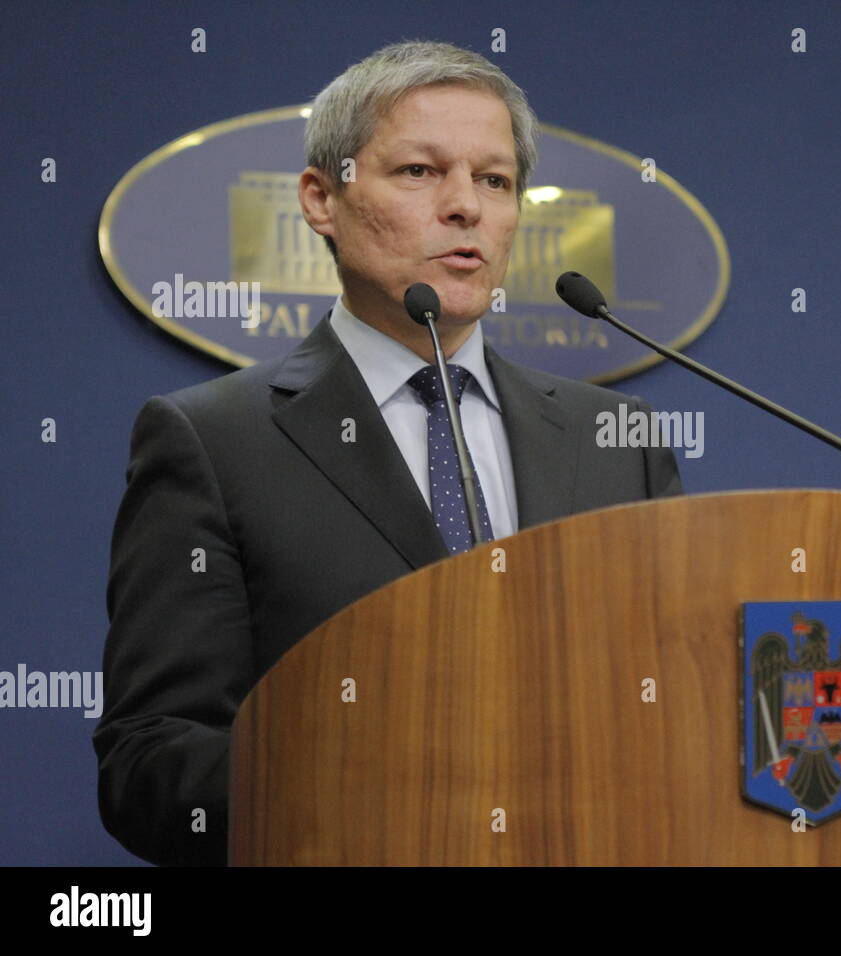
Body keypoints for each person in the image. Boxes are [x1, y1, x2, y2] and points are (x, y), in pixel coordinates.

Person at [93, 40, 683, 867]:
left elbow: (676, 720)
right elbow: (152, 762)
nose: (465, 207)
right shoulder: (213, 442)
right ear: (321, 197)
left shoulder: (616, 442)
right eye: (418, 171)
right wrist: (384, 792)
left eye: (494, 180)